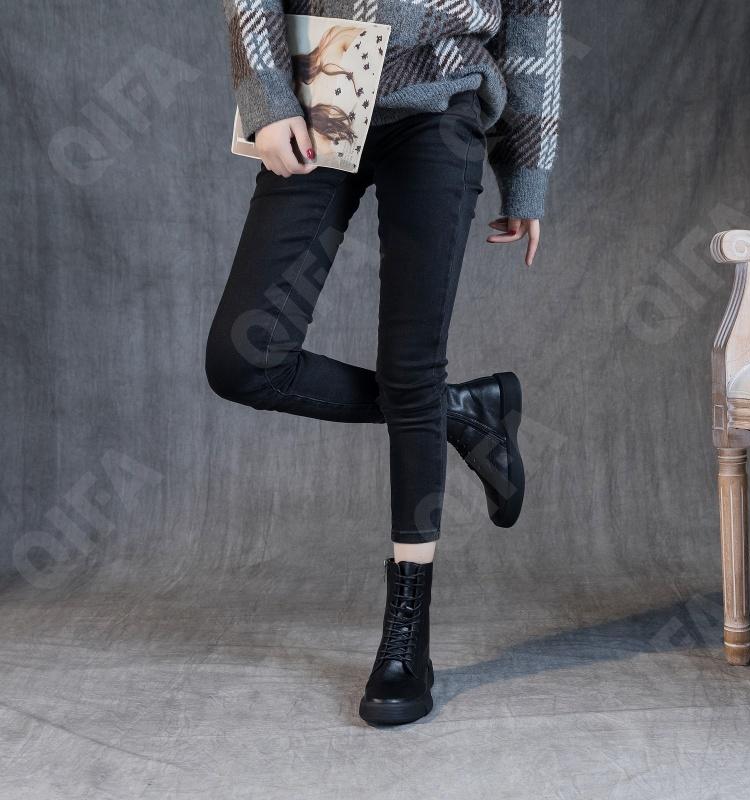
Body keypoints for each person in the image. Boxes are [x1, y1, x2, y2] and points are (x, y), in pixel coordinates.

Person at [208, 0, 563, 725]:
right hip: (325, 85)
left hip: (442, 100)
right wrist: (268, 97)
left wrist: (526, 169)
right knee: (245, 359)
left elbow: (532, 19)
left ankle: (407, 637)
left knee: (411, 367)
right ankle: (461, 411)